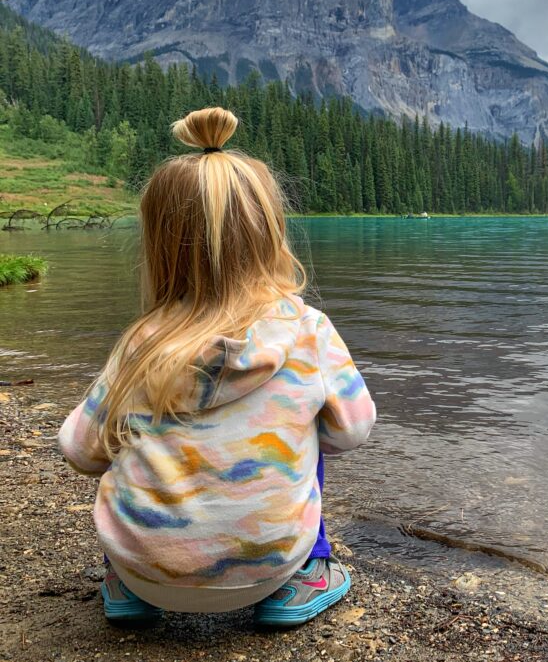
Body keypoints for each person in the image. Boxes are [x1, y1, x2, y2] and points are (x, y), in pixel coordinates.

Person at [57, 107, 377, 627]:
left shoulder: (140, 344)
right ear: (270, 232)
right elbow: (354, 431)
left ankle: (128, 583)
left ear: (159, 244)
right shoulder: (308, 329)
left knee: (126, 436)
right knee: (308, 429)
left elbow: (79, 451)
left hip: (144, 573)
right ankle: (305, 578)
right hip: (268, 571)